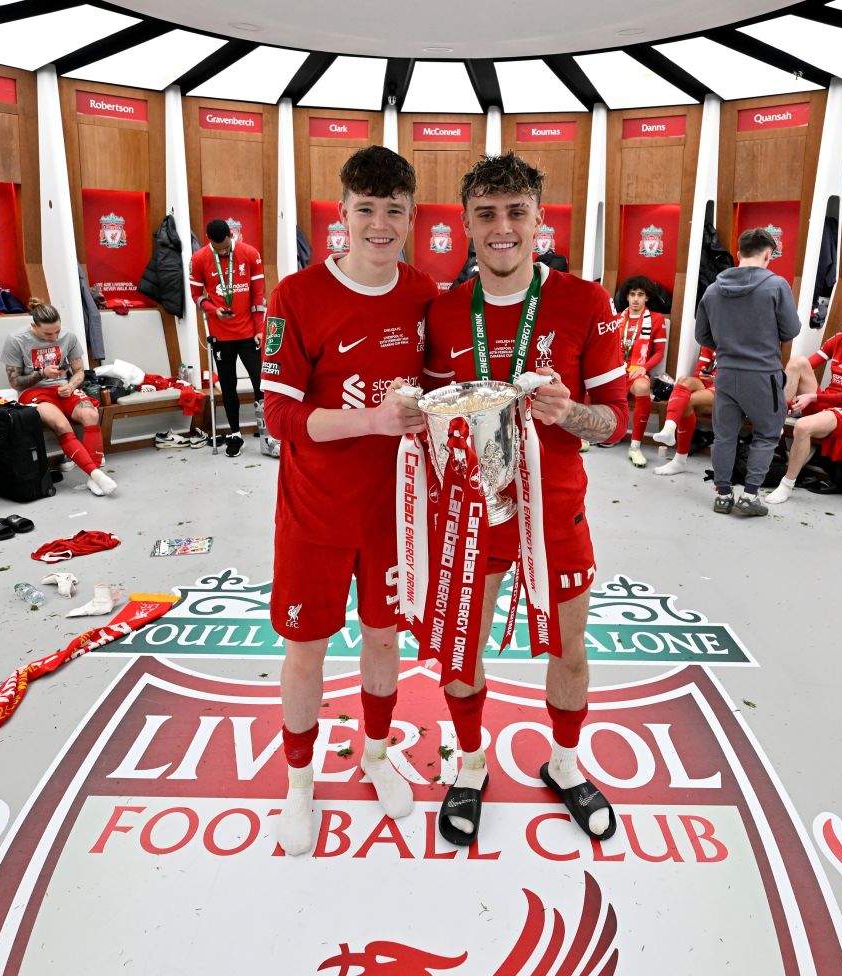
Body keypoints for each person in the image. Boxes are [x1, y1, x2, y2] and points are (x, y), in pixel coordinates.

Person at [423, 152, 628, 845]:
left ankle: (565, 763)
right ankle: (472, 762)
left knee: (570, 650)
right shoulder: (445, 313)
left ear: (539, 220)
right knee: (463, 653)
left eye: (517, 212)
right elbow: (426, 413)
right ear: (467, 225)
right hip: (468, 514)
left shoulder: (585, 301)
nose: (502, 227)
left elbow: (616, 420)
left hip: (554, 508)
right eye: (487, 214)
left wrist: (570, 413)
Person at [261, 147, 439, 856]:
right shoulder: (296, 295)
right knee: (305, 650)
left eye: (394, 209)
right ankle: (299, 782)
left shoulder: (424, 292)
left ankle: (373, 753)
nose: (380, 223)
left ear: (411, 216)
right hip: (316, 510)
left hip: (394, 512)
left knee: (383, 638)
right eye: (366, 208)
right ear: (342, 214)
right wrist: (368, 419)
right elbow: (277, 418)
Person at [695, 227, 800, 516]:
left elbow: (702, 336)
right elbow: (791, 330)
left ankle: (723, 495)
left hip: (726, 374)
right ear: (769, 254)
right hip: (763, 375)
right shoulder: (777, 286)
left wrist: (730, 344)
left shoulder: (713, 289)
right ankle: (750, 496)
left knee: (724, 436)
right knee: (766, 435)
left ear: (738, 253)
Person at [766, 302, 842, 505]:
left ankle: (786, 485)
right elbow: (806, 365)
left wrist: (814, 398)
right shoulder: (839, 340)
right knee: (797, 361)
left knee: (803, 426)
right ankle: (778, 418)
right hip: (825, 399)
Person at [1, 299, 114, 497]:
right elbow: (15, 383)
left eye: (57, 331)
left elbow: (79, 371)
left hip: (64, 388)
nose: (54, 337)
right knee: (61, 425)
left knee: (90, 415)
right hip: (34, 392)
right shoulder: (16, 339)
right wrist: (41, 373)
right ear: (34, 325)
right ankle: (96, 474)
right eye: (47, 334)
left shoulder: (68, 336)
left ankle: (92, 477)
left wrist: (71, 385)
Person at [189, 218, 267, 458]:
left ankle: (269, 432)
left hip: (248, 333)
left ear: (231, 237)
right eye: (218, 248)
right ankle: (235, 434)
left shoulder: (249, 253)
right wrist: (214, 311)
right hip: (221, 334)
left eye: (226, 247)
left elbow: (258, 295)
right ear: (209, 241)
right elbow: (196, 295)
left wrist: (259, 329)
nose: (223, 251)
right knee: (228, 385)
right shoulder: (199, 259)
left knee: (260, 382)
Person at [615, 275, 667, 468]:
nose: (636, 299)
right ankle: (588, 436)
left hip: (638, 370)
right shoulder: (617, 318)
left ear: (647, 298)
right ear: (627, 297)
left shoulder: (656, 319)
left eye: (640, 295)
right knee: (590, 381)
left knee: (643, 387)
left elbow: (659, 352)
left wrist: (643, 368)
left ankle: (635, 446)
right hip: (617, 370)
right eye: (632, 295)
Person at [652, 345, 716, 476]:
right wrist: (704, 375)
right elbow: (699, 371)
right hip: (710, 384)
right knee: (683, 381)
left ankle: (679, 461)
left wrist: (715, 379)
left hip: (729, 387)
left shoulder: (743, 336)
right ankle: (669, 429)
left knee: (686, 401)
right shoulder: (712, 337)